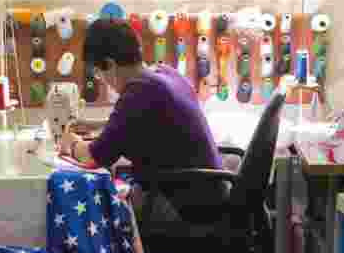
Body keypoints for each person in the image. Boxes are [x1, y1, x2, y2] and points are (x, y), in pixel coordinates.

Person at [58, 18, 225, 224]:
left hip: (186, 207)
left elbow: (94, 157)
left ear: (110, 65)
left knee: (102, 217)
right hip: (209, 193)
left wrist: (70, 143)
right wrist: (94, 125)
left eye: (100, 73)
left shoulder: (138, 93)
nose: (103, 80)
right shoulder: (164, 73)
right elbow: (135, 119)